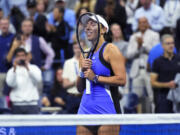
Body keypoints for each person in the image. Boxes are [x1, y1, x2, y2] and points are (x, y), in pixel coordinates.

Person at [76, 14, 126, 135]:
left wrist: (96, 78)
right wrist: (82, 72)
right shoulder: (84, 54)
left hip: (107, 112)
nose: (87, 27)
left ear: (103, 30)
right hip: (85, 111)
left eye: (92, 24)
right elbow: (79, 88)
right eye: (86, 25)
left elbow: (122, 80)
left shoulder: (111, 49)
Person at [126, 17, 159, 113]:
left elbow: (155, 52)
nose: (143, 24)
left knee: (152, 96)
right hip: (136, 71)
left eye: (145, 22)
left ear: (148, 23)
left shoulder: (154, 35)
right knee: (136, 97)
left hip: (149, 70)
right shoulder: (134, 37)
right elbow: (128, 54)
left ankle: (155, 118)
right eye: (140, 23)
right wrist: (138, 47)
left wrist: (143, 44)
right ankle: (136, 120)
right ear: (138, 24)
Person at [6, 48, 42, 114]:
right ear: (15, 58)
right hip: (17, 104)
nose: (21, 58)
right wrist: (14, 70)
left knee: (33, 124)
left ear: (26, 56)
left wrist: (27, 68)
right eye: (18, 56)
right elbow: (11, 84)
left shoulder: (34, 68)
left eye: (22, 55)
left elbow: (38, 79)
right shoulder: (11, 70)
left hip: (32, 103)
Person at [150, 34, 180, 113]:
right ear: (162, 45)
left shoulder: (178, 58)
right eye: (168, 43)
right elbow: (153, 82)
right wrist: (167, 85)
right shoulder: (157, 62)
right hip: (164, 96)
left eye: (172, 43)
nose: (171, 46)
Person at [62, 41, 82, 114]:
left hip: (84, 97)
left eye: (79, 48)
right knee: (71, 123)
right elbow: (65, 84)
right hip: (72, 97)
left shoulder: (88, 61)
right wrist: (77, 81)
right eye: (75, 48)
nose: (77, 50)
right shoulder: (68, 62)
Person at [0, 18, 15, 110]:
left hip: (12, 71)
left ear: (9, 25)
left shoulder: (14, 37)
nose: (4, 26)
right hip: (0, 72)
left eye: (6, 24)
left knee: (13, 93)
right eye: (2, 24)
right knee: (1, 95)